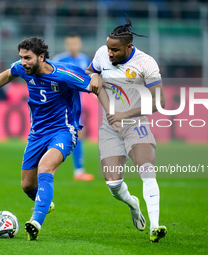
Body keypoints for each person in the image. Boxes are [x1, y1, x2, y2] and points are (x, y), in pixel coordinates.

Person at [0, 36, 101, 241]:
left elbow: (95, 84)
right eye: (21, 57)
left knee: (46, 167)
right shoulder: (23, 69)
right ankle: (44, 201)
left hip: (63, 130)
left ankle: (35, 221)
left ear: (41, 57)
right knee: (27, 185)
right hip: (36, 133)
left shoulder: (63, 75)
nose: (23, 62)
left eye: (27, 58)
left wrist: (98, 77)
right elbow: (7, 74)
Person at [86, 17, 168, 242]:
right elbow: (91, 72)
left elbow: (159, 101)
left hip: (136, 124)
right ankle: (133, 204)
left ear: (129, 47)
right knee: (113, 184)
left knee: (146, 169)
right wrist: (93, 74)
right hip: (109, 127)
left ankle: (155, 225)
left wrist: (124, 114)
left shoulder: (146, 63)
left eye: (115, 50)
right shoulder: (102, 53)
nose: (109, 54)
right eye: (108, 49)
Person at [52, 34, 94, 181]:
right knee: (72, 134)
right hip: (61, 104)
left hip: (75, 104)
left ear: (79, 44)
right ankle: (77, 171)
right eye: (70, 44)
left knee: (76, 134)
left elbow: (90, 79)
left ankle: (78, 170)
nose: (73, 47)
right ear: (66, 45)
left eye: (75, 44)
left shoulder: (84, 60)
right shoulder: (59, 60)